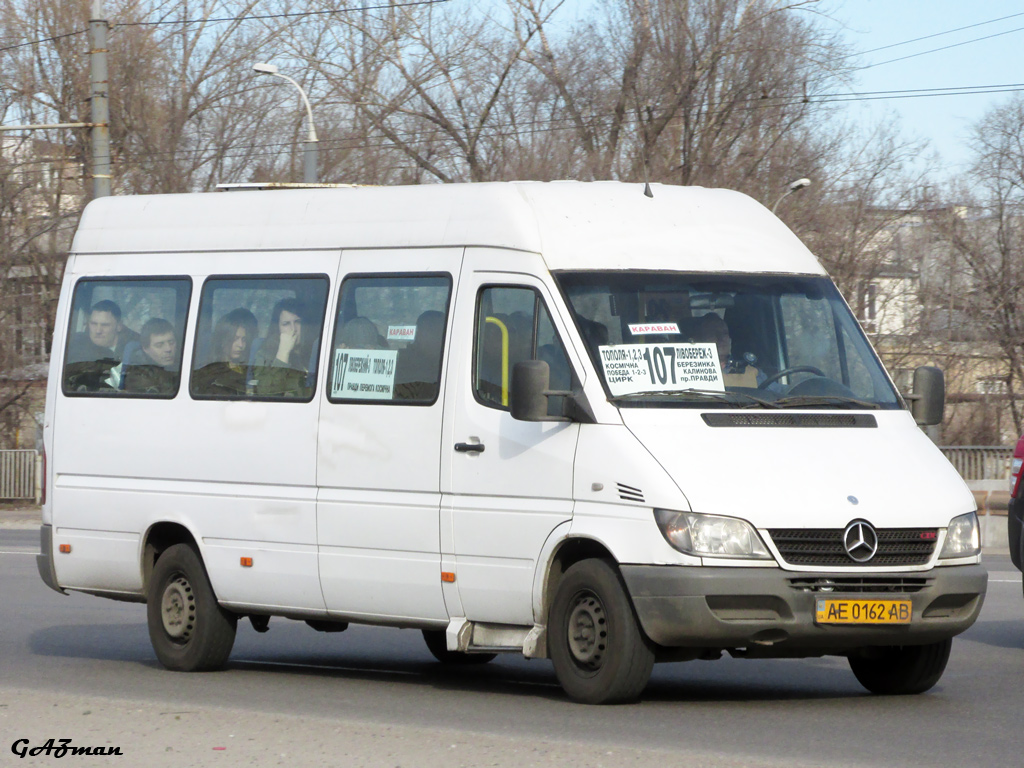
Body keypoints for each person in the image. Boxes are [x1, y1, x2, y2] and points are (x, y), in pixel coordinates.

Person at [65, 300, 139, 390]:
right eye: (94, 324)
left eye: (105, 325)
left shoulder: (137, 348)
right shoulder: (75, 345)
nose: (98, 331)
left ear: (119, 326)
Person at [251, 298, 314, 398]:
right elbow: (266, 393)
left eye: (297, 322)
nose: (293, 329)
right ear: (278, 328)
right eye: (286, 324)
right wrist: (283, 352)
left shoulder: (316, 350)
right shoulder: (265, 354)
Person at [192, 308, 259, 396]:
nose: (240, 345)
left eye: (244, 339)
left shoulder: (248, 370)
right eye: (235, 339)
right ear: (222, 340)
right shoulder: (210, 375)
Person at [691, 312, 760, 387]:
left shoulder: (751, 372)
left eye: (725, 333)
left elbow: (773, 394)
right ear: (700, 340)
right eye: (714, 334)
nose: (722, 338)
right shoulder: (690, 374)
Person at [123, 318, 179, 395]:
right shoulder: (139, 378)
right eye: (159, 345)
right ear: (145, 348)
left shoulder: (185, 363)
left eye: (171, 342)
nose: (168, 349)